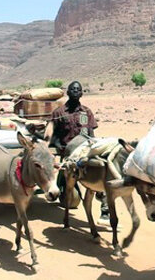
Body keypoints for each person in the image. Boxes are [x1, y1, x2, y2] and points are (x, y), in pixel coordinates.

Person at [45, 80, 111, 226]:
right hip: (70, 150)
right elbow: (53, 136)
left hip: (86, 147)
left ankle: (105, 207)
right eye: (72, 89)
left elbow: (91, 133)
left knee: (103, 166)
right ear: (68, 92)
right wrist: (60, 146)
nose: (75, 91)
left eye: (78, 89)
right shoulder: (59, 113)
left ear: (81, 93)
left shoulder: (86, 112)